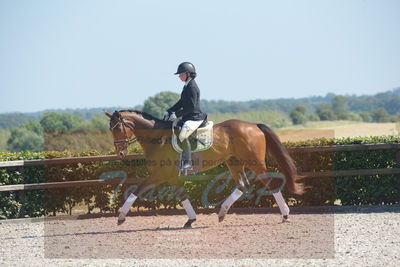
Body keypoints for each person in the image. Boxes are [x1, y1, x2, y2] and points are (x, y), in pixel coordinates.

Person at [164, 62, 207, 172]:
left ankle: (187, 163)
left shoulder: (192, 87)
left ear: (188, 74)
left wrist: (177, 114)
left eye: (181, 74)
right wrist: (170, 111)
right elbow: (181, 102)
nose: (179, 76)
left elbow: (191, 107)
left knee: (183, 135)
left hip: (195, 117)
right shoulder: (187, 85)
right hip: (189, 116)